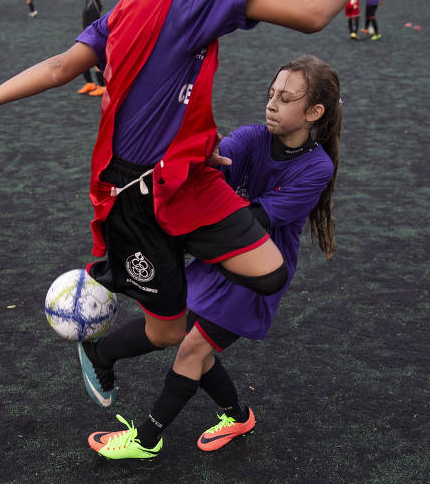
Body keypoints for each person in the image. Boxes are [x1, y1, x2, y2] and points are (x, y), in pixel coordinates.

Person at [0, 0, 369, 411]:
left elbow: (60, 67)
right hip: (134, 192)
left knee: (269, 273)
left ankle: (139, 260)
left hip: (183, 176)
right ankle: (106, 328)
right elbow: (313, 10)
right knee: (168, 333)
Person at [87, 55, 341, 459]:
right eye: (271, 93)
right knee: (193, 346)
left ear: (313, 113)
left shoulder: (317, 167)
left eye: (286, 98)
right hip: (218, 259)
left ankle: (146, 441)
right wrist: (197, 157)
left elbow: (253, 220)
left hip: (256, 272)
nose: (272, 103)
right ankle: (238, 415)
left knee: (192, 350)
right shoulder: (252, 137)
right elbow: (215, 163)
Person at [76, 0, 105, 97]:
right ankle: (90, 83)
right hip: (88, 38)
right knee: (83, 62)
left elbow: (93, 25)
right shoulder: (89, 2)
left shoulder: (92, 4)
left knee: (95, 63)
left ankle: (102, 86)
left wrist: (90, 41)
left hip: (93, 39)